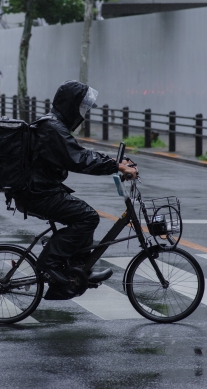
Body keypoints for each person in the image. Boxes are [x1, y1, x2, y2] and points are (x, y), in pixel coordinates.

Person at [13, 80, 137, 287]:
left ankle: (80, 269)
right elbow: (78, 159)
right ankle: (49, 263)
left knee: (84, 215)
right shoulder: (52, 127)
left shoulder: (53, 125)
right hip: (37, 193)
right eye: (82, 107)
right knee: (86, 217)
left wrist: (116, 163)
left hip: (40, 190)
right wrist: (116, 167)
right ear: (71, 105)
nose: (83, 113)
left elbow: (79, 152)